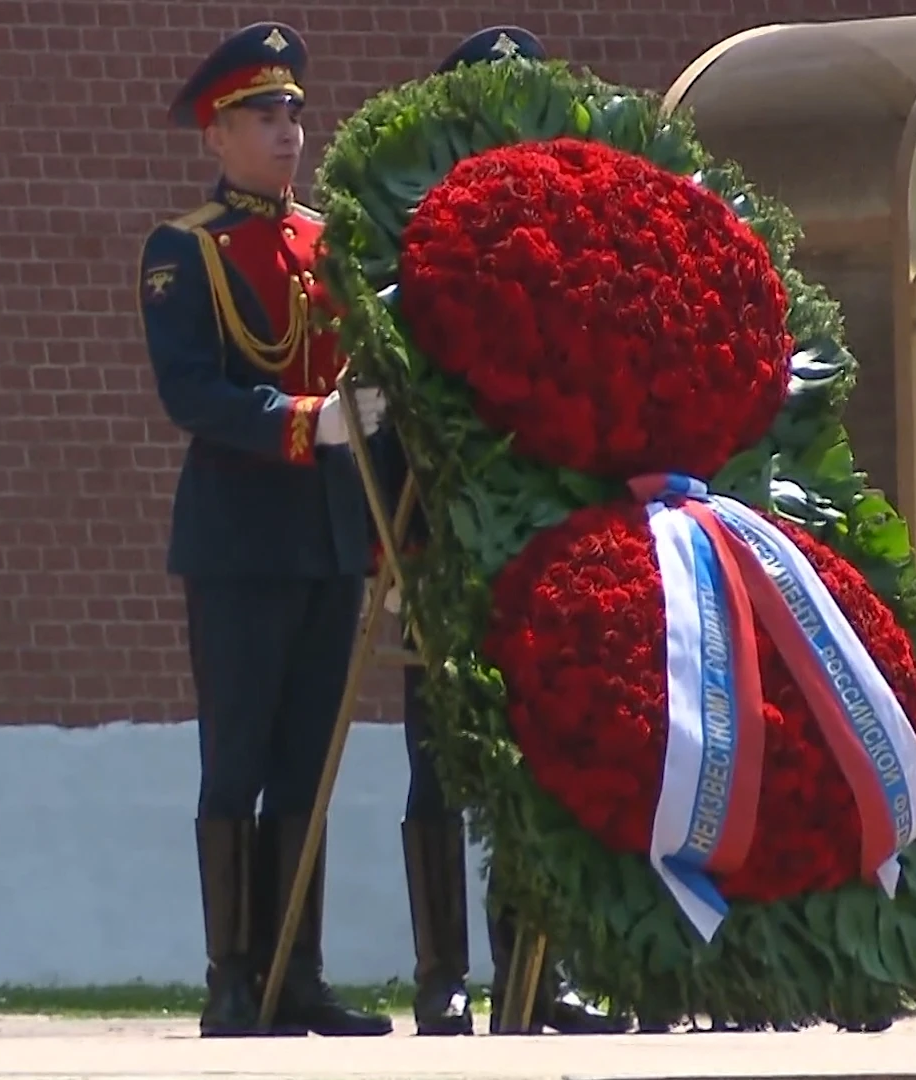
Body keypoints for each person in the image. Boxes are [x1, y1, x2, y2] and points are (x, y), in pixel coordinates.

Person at [139, 21, 393, 1039]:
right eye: (261, 116)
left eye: (291, 112)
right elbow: (192, 391)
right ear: (217, 136)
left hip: (329, 533)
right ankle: (231, 977)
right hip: (241, 540)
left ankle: (298, 971)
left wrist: (364, 419)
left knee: (308, 761)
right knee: (237, 758)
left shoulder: (330, 242)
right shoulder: (184, 250)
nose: (287, 132)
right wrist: (304, 422)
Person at [383, 23, 625, 1038]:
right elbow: (397, 402)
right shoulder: (411, 243)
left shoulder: (571, 240)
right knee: (441, 760)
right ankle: (443, 976)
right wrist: (394, 548)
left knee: (546, 754)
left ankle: (543, 972)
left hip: (545, 538)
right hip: (442, 540)